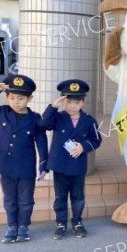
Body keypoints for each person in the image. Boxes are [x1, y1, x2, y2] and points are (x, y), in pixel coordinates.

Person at [0, 74, 48, 243]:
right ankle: (12, 226)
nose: (16, 102)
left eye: (21, 98)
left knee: (26, 200)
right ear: (7, 97)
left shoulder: (35, 119)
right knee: (9, 199)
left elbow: (42, 142)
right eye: (12, 98)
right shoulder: (0, 113)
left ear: (30, 98)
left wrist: (43, 164)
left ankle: (23, 226)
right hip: (6, 166)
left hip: (25, 167)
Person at [40, 79, 101, 240]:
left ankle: (77, 222)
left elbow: (96, 140)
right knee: (60, 197)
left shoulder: (89, 121)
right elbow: (44, 124)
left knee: (78, 196)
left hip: (78, 166)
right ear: (64, 101)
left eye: (76, 102)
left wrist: (83, 146)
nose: (72, 106)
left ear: (83, 102)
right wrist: (53, 106)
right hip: (60, 166)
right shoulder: (58, 117)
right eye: (68, 102)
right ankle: (61, 224)